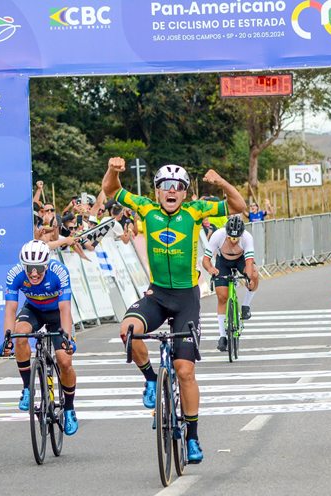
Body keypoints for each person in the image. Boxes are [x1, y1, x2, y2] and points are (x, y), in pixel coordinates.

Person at [102, 156, 246, 464]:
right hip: (157, 294)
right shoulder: (146, 208)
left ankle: (193, 438)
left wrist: (220, 182)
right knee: (128, 331)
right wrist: (113, 171)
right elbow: (112, 191)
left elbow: (238, 206)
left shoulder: (195, 212)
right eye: (165, 186)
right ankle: (151, 379)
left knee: (185, 370)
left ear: (185, 193)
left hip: (186, 298)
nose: (171, 191)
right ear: (156, 191)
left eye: (178, 187)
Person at [3, 240, 78, 435]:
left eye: (38, 268)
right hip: (33, 310)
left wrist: (67, 339)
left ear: (46, 265)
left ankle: (69, 408)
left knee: (64, 361)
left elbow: (65, 309)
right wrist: (8, 338)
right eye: (29, 268)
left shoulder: (59, 272)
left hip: (57, 314)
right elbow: (11, 308)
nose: (34, 273)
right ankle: (28, 388)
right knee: (20, 335)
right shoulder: (15, 274)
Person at [202, 215, 259, 352]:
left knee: (255, 275)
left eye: (236, 238)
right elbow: (205, 260)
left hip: (241, 260)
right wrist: (211, 269)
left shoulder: (247, 238)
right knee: (222, 297)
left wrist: (249, 277)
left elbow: (249, 262)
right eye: (231, 237)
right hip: (223, 262)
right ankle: (222, 336)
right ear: (226, 233)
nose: (233, 241)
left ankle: (246, 305)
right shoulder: (217, 235)